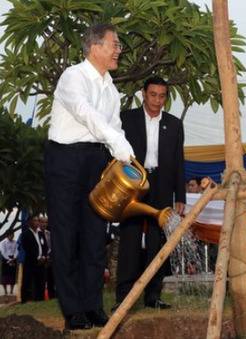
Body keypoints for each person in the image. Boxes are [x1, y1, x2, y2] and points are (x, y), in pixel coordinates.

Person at [44, 23, 133, 330]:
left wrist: (126, 153)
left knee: (96, 236)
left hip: (97, 160)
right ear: (95, 47)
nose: (118, 50)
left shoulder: (112, 89)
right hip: (66, 160)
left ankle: (93, 306)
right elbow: (86, 113)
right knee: (67, 235)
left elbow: (115, 127)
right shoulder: (73, 77)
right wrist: (117, 142)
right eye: (115, 44)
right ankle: (73, 311)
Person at [114, 76, 186, 310]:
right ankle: (124, 297)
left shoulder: (174, 124)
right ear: (143, 94)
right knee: (130, 239)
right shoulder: (127, 119)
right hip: (134, 184)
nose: (157, 100)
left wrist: (181, 197)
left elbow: (178, 162)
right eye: (153, 94)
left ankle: (153, 295)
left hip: (162, 185)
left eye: (162, 95)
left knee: (158, 242)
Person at [20, 217, 48, 303]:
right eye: (35, 220)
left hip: (41, 262)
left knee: (41, 282)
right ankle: (25, 301)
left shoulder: (40, 234)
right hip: (30, 263)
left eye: (37, 220)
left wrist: (43, 257)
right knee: (27, 283)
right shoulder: (25, 234)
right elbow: (27, 248)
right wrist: (37, 258)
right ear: (29, 222)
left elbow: (45, 246)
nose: (37, 222)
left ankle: (40, 301)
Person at [0, 230, 18, 295]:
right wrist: (9, 259)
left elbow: (17, 251)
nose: (12, 236)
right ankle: (5, 291)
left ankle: (11, 291)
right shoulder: (3, 243)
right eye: (11, 235)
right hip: (5, 259)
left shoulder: (15, 242)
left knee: (12, 276)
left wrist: (14, 258)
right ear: (7, 235)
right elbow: (3, 252)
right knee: (4, 276)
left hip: (13, 258)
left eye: (13, 235)